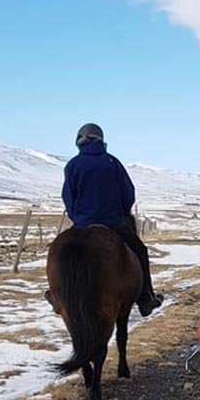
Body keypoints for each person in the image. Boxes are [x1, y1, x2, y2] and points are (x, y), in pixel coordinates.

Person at [57, 123, 163, 317]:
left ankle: (57, 294)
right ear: (100, 139)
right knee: (140, 250)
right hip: (113, 222)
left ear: (79, 140)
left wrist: (77, 218)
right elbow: (128, 193)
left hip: (82, 223)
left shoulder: (72, 165)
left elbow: (68, 196)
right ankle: (146, 299)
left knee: (60, 252)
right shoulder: (112, 162)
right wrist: (120, 215)